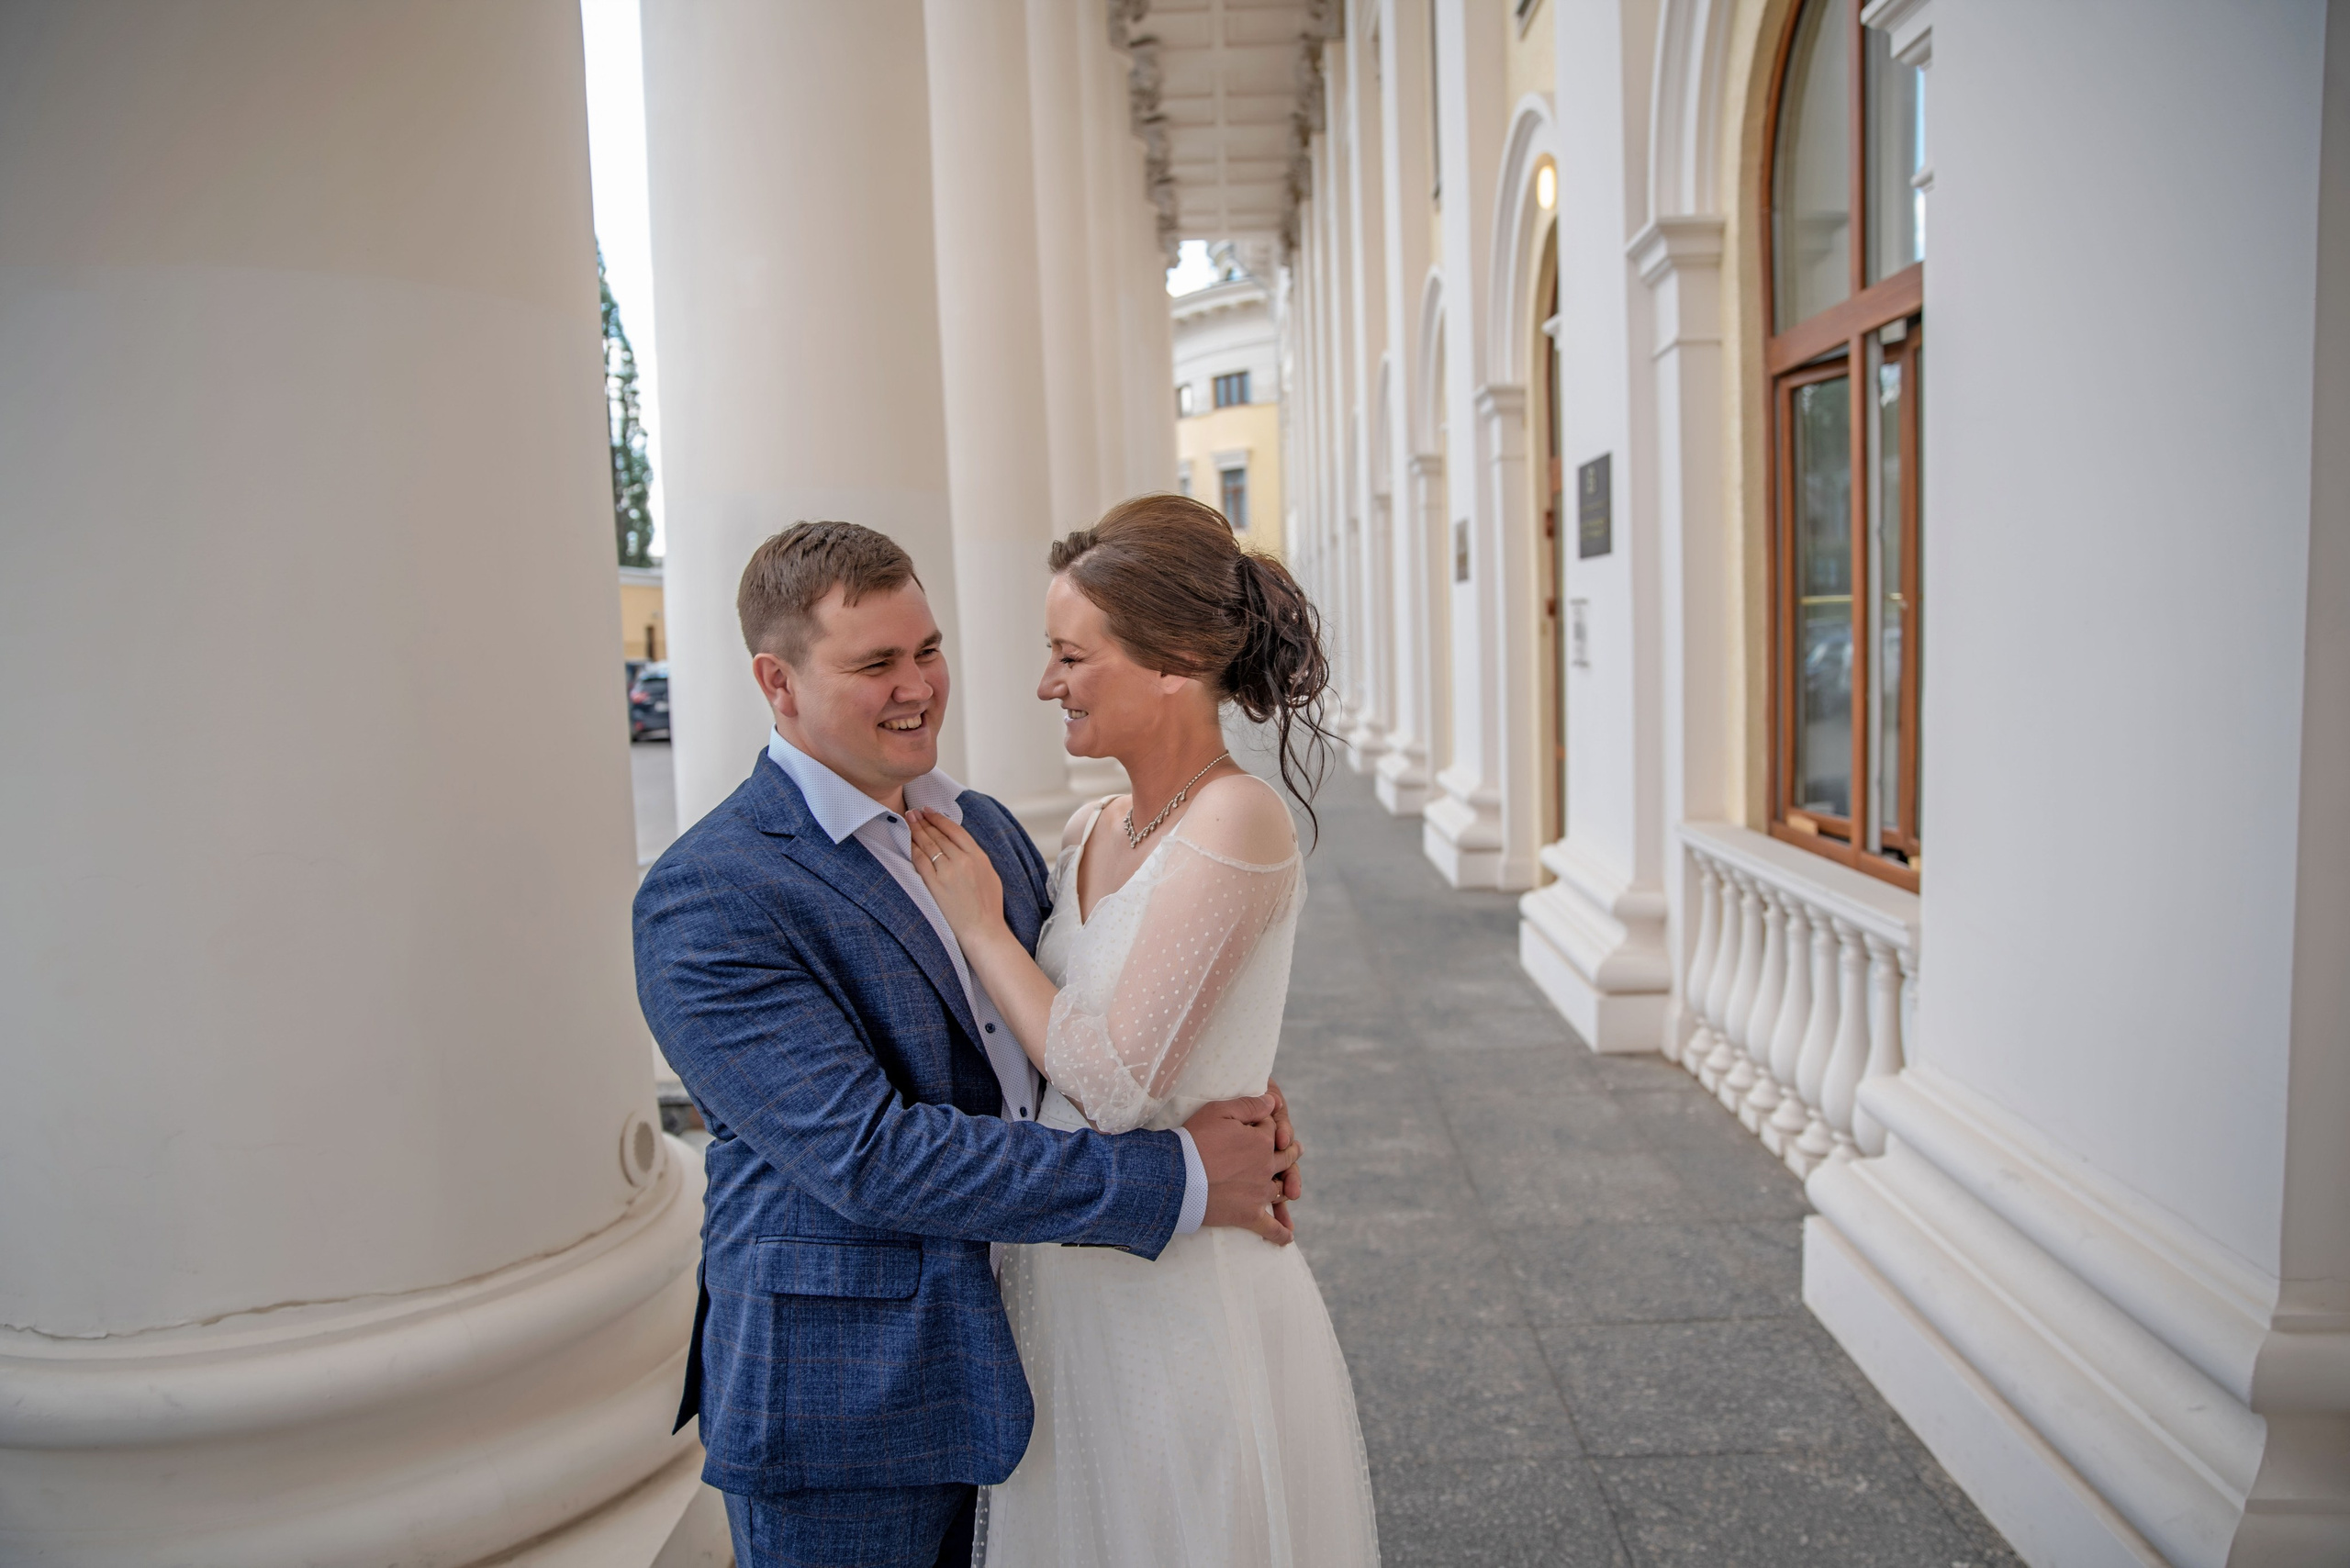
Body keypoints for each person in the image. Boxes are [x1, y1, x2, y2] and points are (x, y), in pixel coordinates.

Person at [633, 521, 1304, 1568]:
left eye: (928, 650)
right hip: (851, 1406)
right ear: (778, 682)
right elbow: (870, 1155)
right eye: (876, 664)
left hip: (1049, 1357)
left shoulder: (986, 829)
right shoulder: (711, 894)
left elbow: (1084, 1026)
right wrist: (1176, 1173)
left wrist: (1224, 1094)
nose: (918, 687)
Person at [907, 493, 1380, 1566]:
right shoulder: (1089, 825)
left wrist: (986, 929)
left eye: (1072, 655)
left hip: (1181, 1299)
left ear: (1169, 662)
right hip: (1070, 1281)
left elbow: (1114, 1080)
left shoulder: (1237, 819)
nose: (1045, 683)